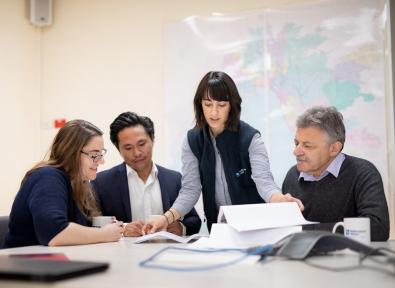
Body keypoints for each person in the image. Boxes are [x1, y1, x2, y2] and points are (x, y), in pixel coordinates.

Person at [144, 71, 303, 234]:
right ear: (200, 105)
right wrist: (166, 218)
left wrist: (279, 199)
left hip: (255, 226)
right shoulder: (192, 140)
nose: (214, 112)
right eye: (208, 104)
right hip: (219, 227)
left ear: (231, 106)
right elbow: (191, 189)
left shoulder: (251, 138)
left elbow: (264, 181)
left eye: (221, 105)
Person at [3, 120, 124, 248]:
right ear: (71, 152)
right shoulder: (47, 176)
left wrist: (119, 228)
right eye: (94, 155)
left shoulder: (79, 184)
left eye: (101, 154)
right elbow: (55, 233)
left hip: (51, 262)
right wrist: (103, 234)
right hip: (21, 264)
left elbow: (84, 228)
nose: (102, 161)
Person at [282, 106, 390, 241]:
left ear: (334, 148)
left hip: (349, 259)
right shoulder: (292, 175)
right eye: (296, 143)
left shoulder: (363, 173)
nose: (296, 152)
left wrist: (302, 230)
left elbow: (378, 228)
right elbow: (282, 229)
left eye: (307, 146)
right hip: (298, 259)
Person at [92, 112, 201, 236]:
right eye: (128, 148)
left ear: (153, 140)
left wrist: (181, 227)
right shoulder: (102, 182)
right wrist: (123, 229)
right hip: (123, 253)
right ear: (119, 149)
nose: (137, 153)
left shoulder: (174, 179)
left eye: (142, 144)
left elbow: (194, 221)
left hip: (168, 252)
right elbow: (93, 224)